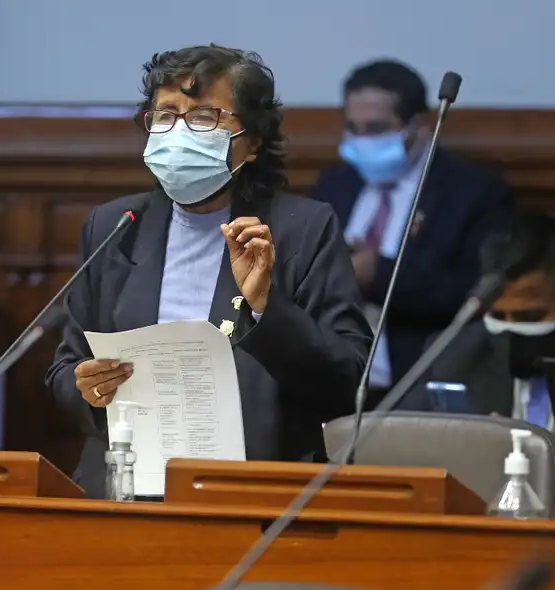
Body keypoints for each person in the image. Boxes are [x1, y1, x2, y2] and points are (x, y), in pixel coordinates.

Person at [45, 45, 372, 498]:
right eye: (165, 116)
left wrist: (265, 308)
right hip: (125, 486)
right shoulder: (115, 226)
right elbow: (66, 368)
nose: (178, 132)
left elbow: (347, 381)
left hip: (254, 492)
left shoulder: (304, 230)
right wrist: (86, 386)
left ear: (252, 142)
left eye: (203, 117)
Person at [309, 59, 512, 401]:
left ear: (421, 126)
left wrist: (380, 274)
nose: (361, 141)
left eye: (375, 129)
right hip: (331, 380)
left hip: (416, 382)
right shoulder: (336, 185)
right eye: (352, 128)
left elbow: (477, 294)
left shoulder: (471, 193)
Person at [399, 210, 555, 429]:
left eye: (529, 316)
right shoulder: (452, 357)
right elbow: (399, 443)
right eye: (497, 315)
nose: (510, 327)